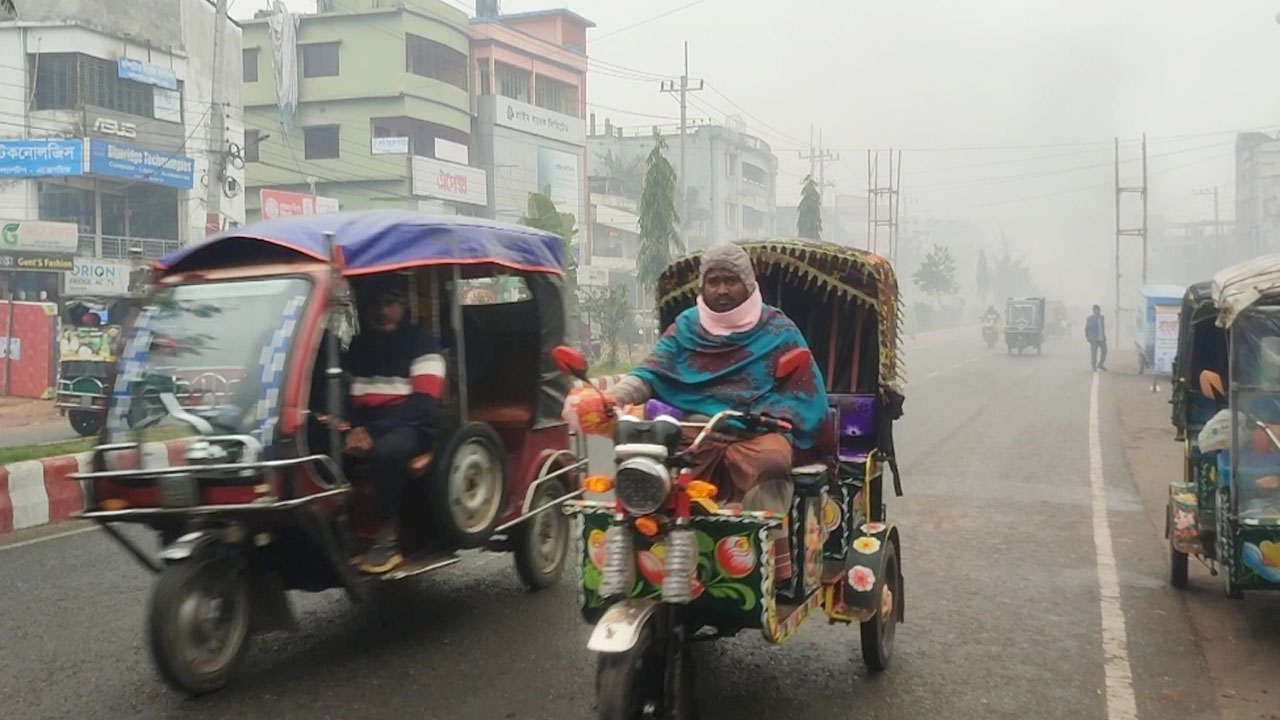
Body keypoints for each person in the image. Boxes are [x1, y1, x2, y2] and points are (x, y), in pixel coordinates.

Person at [597, 243, 828, 582]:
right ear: (702, 286)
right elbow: (651, 371)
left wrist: (771, 414)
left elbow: (804, 389)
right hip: (696, 434)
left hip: (756, 433)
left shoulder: (777, 329)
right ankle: (650, 552)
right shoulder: (687, 327)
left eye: (730, 280)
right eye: (713, 280)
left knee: (772, 464)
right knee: (646, 468)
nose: (721, 289)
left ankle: (767, 567)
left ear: (748, 284)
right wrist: (612, 398)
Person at [342, 276, 446, 574]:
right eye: (375, 303)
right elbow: (346, 396)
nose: (383, 311)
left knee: (387, 452)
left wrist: (373, 432)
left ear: (403, 306)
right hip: (365, 425)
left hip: (412, 425)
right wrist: (350, 428)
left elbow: (424, 404)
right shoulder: (358, 347)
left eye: (390, 303)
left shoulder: (422, 344)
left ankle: (386, 538)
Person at [1085, 304, 1108, 371]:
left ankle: (1100, 364)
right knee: (1094, 353)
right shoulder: (1090, 318)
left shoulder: (1102, 317)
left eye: (1099, 310)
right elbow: (1087, 328)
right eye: (1096, 310)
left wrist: (1104, 336)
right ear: (1094, 310)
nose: (1098, 311)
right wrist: (1088, 337)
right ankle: (1094, 366)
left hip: (1101, 338)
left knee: (1104, 351)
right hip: (1093, 339)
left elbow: (1103, 328)